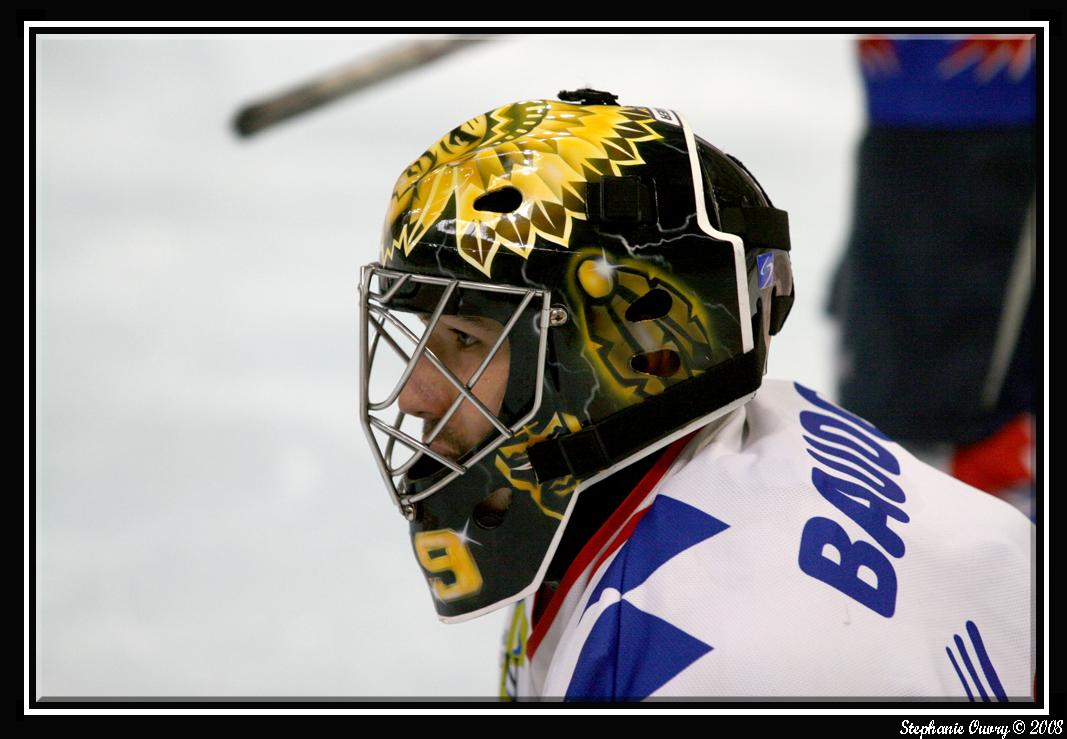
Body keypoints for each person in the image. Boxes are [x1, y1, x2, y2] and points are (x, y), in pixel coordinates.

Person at [357, 90, 1033, 700]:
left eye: (465, 340)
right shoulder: (744, 443)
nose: (415, 392)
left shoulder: (692, 662)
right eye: (424, 334)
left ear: (631, 351)